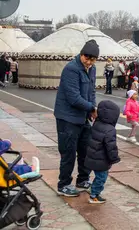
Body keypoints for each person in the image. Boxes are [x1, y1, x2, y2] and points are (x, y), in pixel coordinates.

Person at [54, 40, 99, 197]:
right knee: (68, 152)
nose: (88, 62)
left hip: (82, 117)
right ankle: (64, 184)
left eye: (92, 59)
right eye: (86, 58)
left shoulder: (92, 69)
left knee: (85, 149)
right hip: (67, 117)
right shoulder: (71, 69)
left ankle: (83, 179)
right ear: (81, 55)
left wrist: (92, 107)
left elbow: (91, 91)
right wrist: (91, 108)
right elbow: (74, 98)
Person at [84, 100, 121, 205]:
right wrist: (114, 158)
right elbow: (111, 147)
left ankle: (93, 190)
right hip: (102, 160)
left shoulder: (96, 123)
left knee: (98, 176)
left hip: (92, 156)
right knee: (101, 178)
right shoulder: (110, 130)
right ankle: (94, 195)